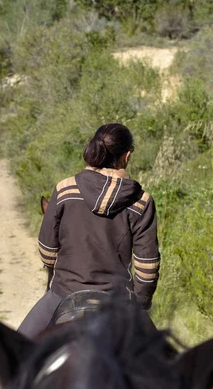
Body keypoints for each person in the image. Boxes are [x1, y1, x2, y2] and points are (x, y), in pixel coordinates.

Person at [17, 123, 161, 338]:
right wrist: (140, 302)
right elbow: (147, 268)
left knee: (15, 357)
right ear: (127, 156)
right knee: (166, 367)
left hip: (64, 292)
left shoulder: (65, 189)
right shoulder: (141, 202)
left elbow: (47, 251)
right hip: (118, 300)